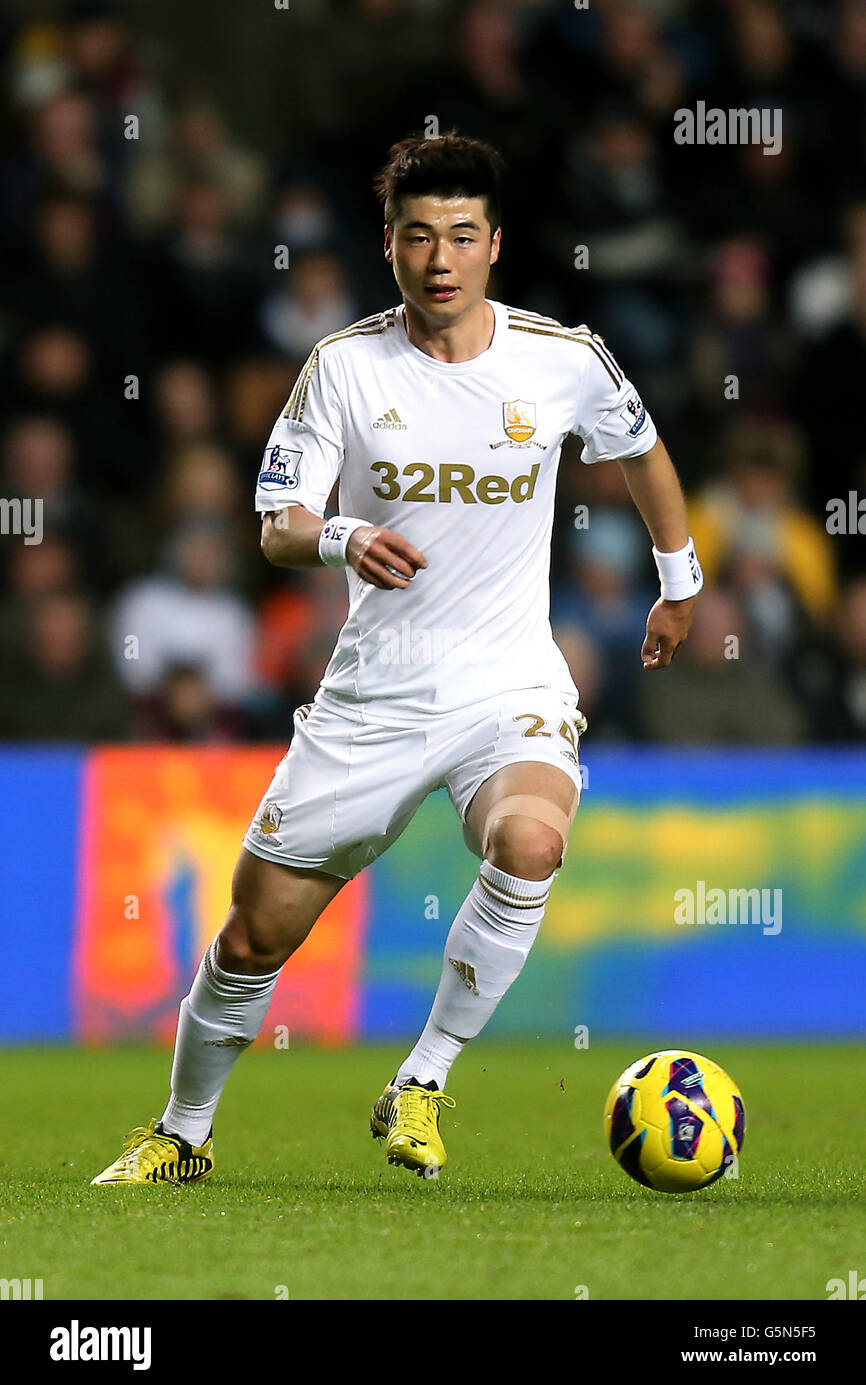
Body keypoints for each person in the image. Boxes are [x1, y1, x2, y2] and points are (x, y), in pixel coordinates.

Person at [91, 131, 702, 1186]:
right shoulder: (341, 367)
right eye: (419, 237)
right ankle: (181, 1133)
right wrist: (339, 534)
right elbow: (276, 521)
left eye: (461, 236)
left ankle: (421, 1079)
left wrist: (679, 578)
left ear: (492, 244)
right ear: (389, 246)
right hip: (371, 696)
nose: (440, 259)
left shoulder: (560, 361)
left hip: (506, 683)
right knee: (251, 938)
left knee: (528, 841)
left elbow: (640, 449)